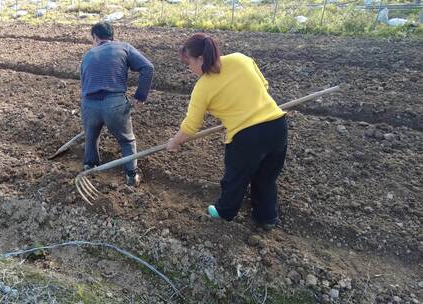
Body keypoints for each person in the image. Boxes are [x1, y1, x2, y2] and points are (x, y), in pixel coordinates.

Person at [166, 33, 287, 229]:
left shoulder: (203, 87)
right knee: (266, 177)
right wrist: (235, 111)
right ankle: (267, 218)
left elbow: (191, 126)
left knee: (235, 179)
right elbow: (263, 85)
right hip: (277, 125)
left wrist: (175, 142)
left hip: (247, 137)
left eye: (189, 64)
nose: (190, 69)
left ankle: (223, 214)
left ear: (201, 59)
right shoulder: (241, 59)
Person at [80, 22, 154, 186]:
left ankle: (89, 166)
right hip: (114, 104)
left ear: (96, 37)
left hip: (88, 104)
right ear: (111, 36)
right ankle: (131, 176)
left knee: (91, 136)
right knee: (127, 140)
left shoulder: (88, 55)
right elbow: (148, 68)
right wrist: (140, 96)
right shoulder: (124, 47)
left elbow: (83, 83)